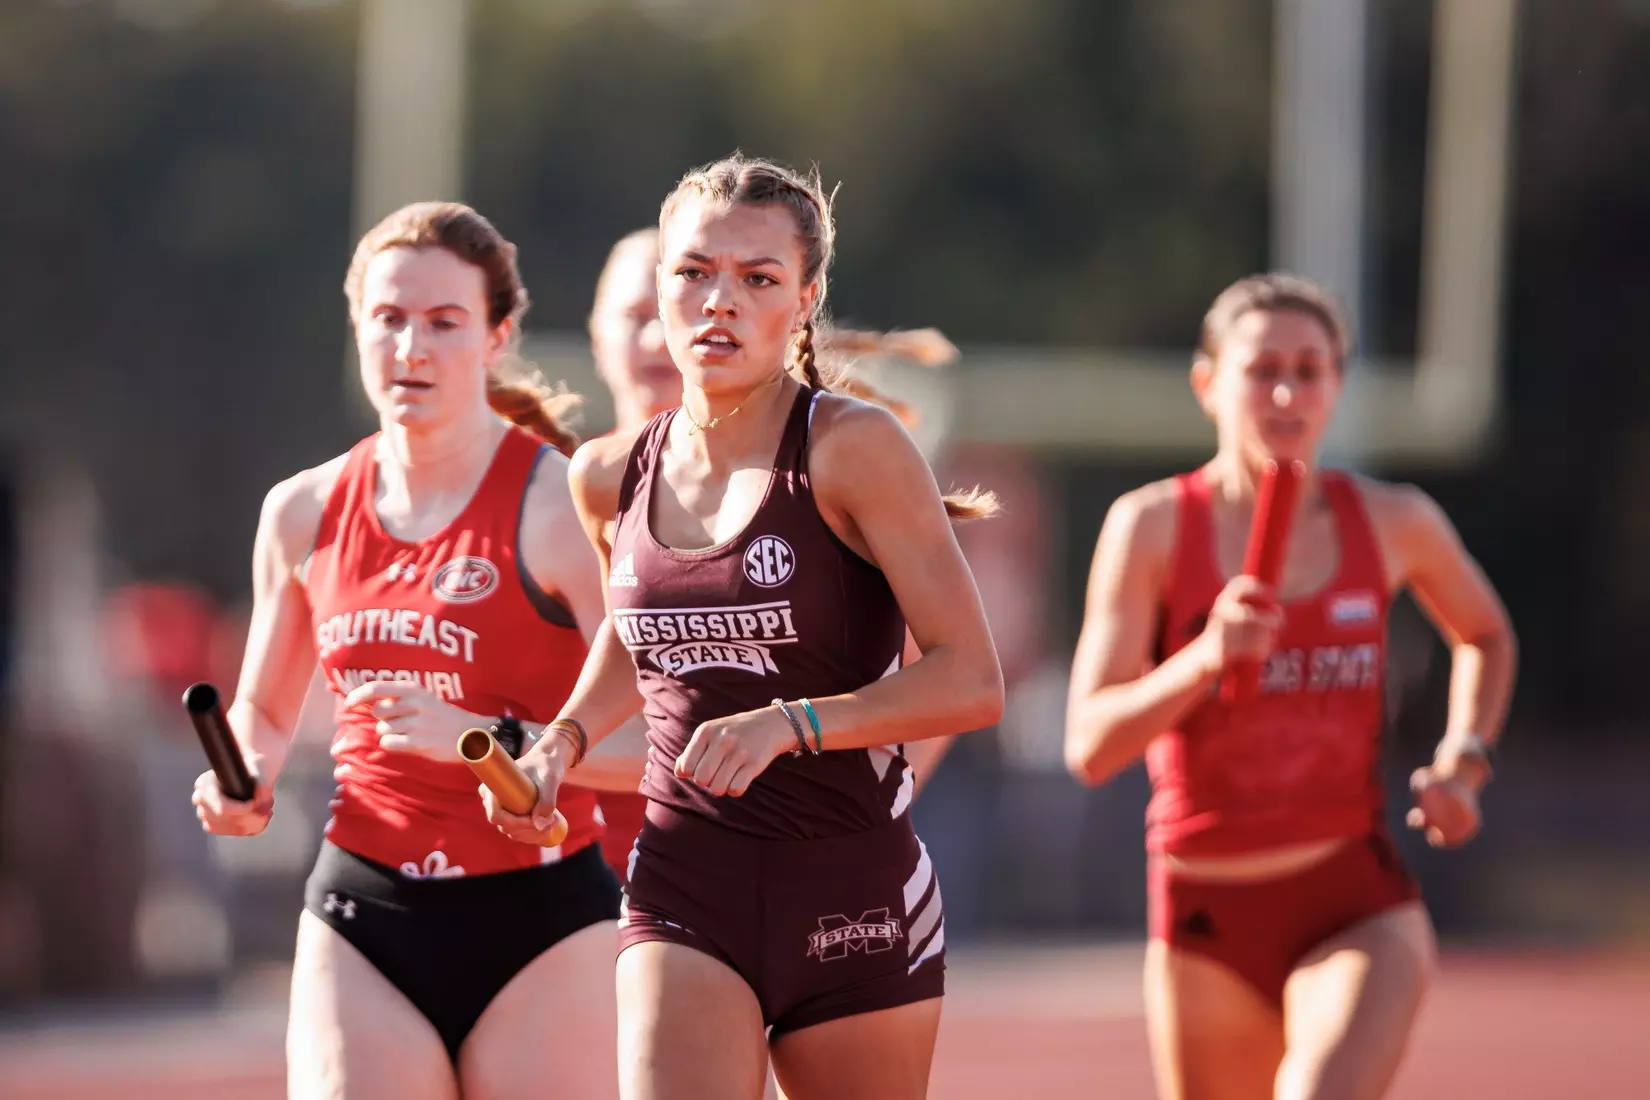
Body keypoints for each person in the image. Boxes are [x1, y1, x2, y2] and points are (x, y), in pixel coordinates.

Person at [486, 153, 1005, 1100]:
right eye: (694, 272)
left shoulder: (854, 451)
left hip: (851, 894)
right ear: (661, 287)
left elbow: (971, 679)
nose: (719, 301)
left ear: (804, 301)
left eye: (757, 278)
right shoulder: (606, 475)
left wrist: (791, 722)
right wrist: (559, 743)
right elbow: (634, 639)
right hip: (688, 882)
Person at [191, 201, 623, 1100]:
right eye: (387, 320)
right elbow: (264, 711)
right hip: (366, 908)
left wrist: (486, 739)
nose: (410, 348)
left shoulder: (557, 510)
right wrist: (244, 777)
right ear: (357, 328)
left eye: (443, 322)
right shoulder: (302, 512)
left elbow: (662, 743)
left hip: (542, 917)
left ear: (498, 337)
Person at [1064, 273, 1518, 1100]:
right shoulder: (1153, 528)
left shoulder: (1392, 521)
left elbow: (1484, 632)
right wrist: (1204, 659)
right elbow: (1090, 747)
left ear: (1336, 388)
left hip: (1351, 902)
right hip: (1203, 912)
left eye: (1309, 370)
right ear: (1209, 384)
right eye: (1260, 367)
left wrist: (1465, 759)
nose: (1284, 391)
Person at [583, 227, 962, 884]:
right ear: (594, 335)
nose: (652, 339)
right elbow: (630, 672)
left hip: (777, 863)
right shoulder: (584, 482)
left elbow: (946, 668)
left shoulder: (824, 469)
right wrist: (543, 748)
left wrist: (868, 810)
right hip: (584, 866)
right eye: (632, 316)